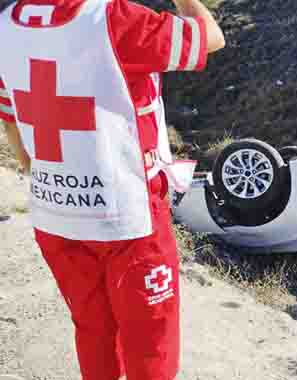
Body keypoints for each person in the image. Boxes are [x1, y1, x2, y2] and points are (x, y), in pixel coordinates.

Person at [0, 0, 225, 378]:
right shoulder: (115, 19)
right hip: (128, 221)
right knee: (150, 346)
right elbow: (210, 37)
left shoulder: (5, 26)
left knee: (93, 333)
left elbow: (13, 126)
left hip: (56, 216)